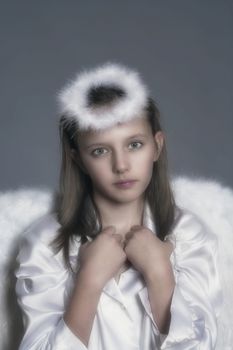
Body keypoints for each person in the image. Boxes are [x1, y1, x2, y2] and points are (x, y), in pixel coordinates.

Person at [15, 62, 222, 349]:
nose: (121, 165)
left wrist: (160, 273)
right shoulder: (45, 241)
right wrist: (89, 279)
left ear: (157, 146)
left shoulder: (188, 236)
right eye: (100, 151)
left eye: (134, 145)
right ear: (78, 159)